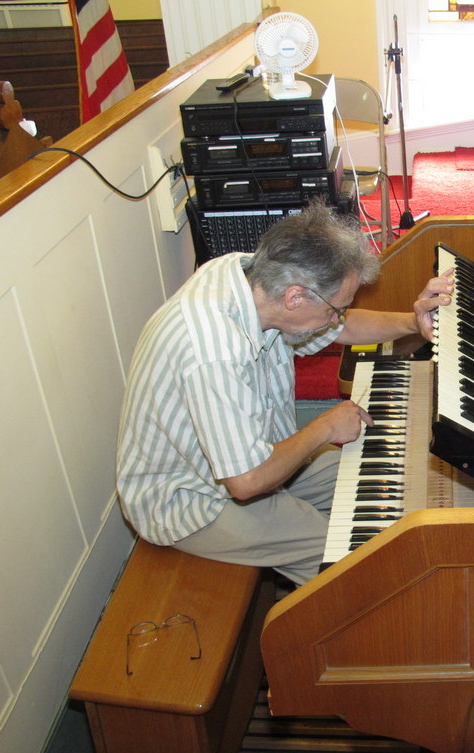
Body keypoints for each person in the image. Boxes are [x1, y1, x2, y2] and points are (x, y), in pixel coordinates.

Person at [116, 200, 453, 584]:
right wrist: (324, 428)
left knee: (391, 481)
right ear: (295, 297)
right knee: (358, 562)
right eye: (336, 308)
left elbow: (342, 327)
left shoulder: (255, 276)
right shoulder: (213, 352)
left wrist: (413, 322)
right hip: (190, 499)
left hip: (256, 455)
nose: (337, 318)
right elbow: (247, 481)